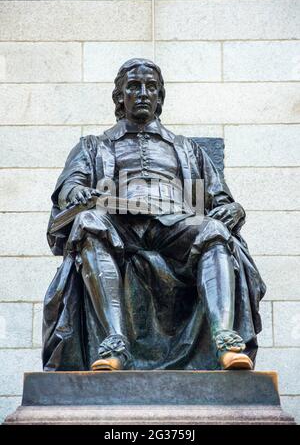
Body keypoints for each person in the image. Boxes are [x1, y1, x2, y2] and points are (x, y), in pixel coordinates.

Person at [43, 58, 266, 372]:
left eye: (151, 87)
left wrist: (233, 208)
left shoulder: (187, 149)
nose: (143, 93)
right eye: (134, 87)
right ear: (120, 98)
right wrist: (75, 192)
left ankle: (225, 342)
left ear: (161, 97)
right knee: (87, 222)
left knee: (215, 230)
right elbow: (71, 184)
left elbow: (219, 198)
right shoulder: (94, 145)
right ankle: (114, 344)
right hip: (118, 223)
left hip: (175, 223)